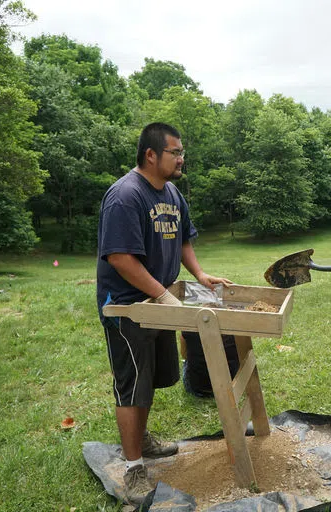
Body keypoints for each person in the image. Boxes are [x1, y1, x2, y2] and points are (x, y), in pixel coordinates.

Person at [96, 122, 232, 505]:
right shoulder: (125, 196)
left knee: (151, 378)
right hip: (127, 307)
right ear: (151, 154)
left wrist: (200, 275)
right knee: (131, 384)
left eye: (181, 151)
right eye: (176, 152)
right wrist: (161, 295)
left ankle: (143, 439)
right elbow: (121, 258)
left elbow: (183, 237)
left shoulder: (171, 192)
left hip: (159, 301)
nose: (181, 158)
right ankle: (133, 467)